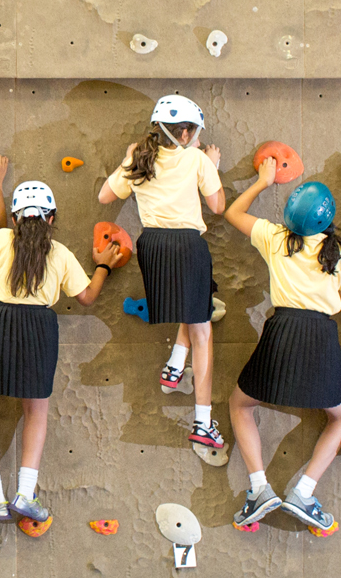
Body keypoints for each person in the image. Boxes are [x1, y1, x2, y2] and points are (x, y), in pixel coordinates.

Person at [0, 172, 119, 523]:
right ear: (51, 218)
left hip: (0, 323)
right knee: (36, 411)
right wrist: (104, 265)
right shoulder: (60, 252)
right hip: (40, 328)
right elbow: (87, 297)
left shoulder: (2, 239)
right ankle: (25, 494)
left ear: (16, 217)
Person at [223, 163, 341, 535]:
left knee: (240, 404)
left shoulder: (276, 237)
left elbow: (232, 212)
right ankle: (304, 492)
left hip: (281, 330)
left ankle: (259, 489)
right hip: (320, 334)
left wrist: (264, 181)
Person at [97, 95, 227, 462]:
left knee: (197, 306)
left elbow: (106, 194)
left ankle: (175, 365)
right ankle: (203, 423)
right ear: (185, 132)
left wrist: (127, 160)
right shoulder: (198, 159)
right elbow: (217, 206)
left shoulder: (140, 157)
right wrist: (210, 164)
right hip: (187, 244)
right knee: (203, 329)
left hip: (152, 245)